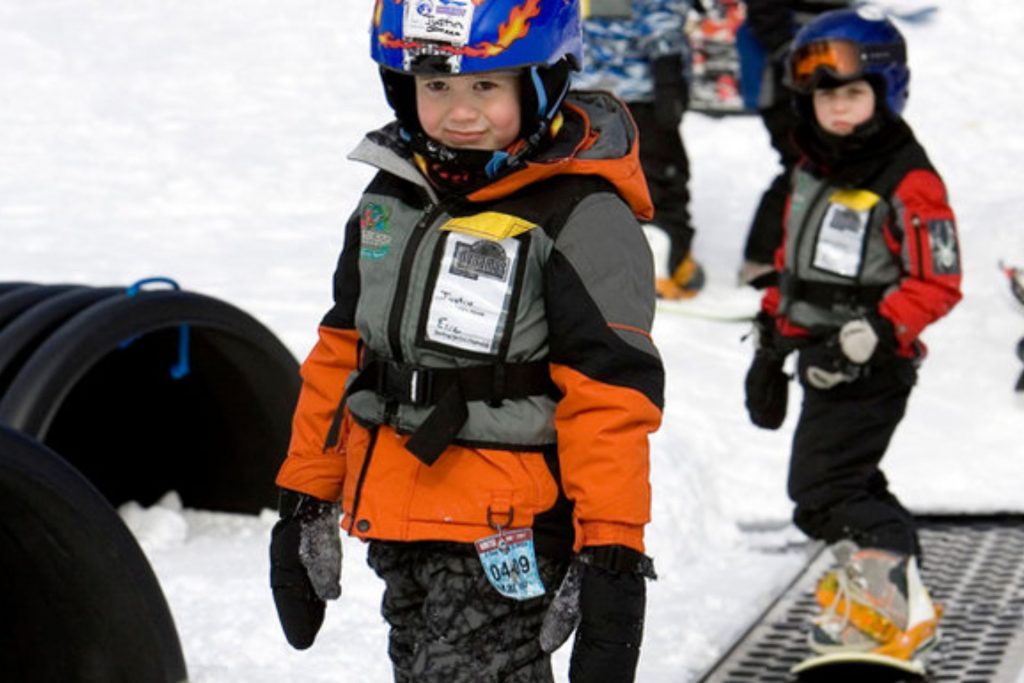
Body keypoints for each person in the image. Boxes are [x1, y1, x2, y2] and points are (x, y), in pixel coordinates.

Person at [268, 1, 664, 681]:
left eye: (486, 85)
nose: (459, 111)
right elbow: (342, 353)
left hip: (505, 526)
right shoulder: (391, 196)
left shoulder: (577, 214)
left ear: (537, 83)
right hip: (397, 515)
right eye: (436, 86)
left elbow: (609, 400)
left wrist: (612, 551)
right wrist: (305, 497)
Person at [742, 7, 961, 663]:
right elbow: (797, 264)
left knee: (824, 493)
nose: (837, 109)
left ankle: (890, 611)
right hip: (817, 357)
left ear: (886, 92)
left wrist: (875, 332)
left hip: (873, 364)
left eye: (853, 94)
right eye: (825, 96)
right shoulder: (814, 168)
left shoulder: (908, 178)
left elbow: (938, 281)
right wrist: (770, 340)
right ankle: (887, 593)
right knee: (847, 482)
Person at [575, 0, 705, 300]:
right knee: (658, 174)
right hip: (638, 85)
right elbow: (660, 13)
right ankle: (659, 262)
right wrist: (668, 73)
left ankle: (599, 258)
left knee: (595, 172)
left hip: (586, 85)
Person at [739, 0, 852, 287]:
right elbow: (764, 15)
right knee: (803, 161)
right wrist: (791, 54)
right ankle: (761, 261)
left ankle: (810, 256)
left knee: (827, 162)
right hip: (784, 81)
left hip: (825, 74)